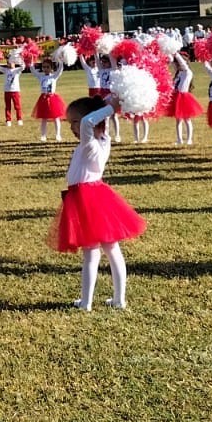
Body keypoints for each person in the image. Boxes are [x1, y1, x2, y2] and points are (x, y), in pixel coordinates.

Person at [53, 98, 146, 311]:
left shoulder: (91, 144)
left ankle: (89, 302)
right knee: (110, 251)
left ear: (93, 121)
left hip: (88, 200)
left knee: (94, 253)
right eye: (70, 123)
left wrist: (111, 107)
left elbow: (87, 122)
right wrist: (106, 102)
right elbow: (90, 119)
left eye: (75, 122)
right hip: (89, 197)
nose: (74, 127)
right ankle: (116, 299)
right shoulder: (102, 139)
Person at [165, 46, 203, 146]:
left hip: (184, 98)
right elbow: (172, 63)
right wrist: (168, 52)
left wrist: (176, 54)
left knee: (187, 119)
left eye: (179, 63)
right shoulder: (179, 73)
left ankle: (189, 139)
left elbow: (181, 63)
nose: (177, 65)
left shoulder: (187, 72)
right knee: (178, 120)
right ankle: (179, 139)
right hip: (176, 97)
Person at [33, 59, 67, 142]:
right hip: (43, 99)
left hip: (52, 98)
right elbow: (33, 71)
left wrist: (61, 61)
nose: (45, 69)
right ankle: (43, 135)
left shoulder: (54, 76)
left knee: (56, 118)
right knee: (44, 118)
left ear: (51, 68)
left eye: (47, 67)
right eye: (44, 67)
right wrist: (30, 62)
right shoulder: (41, 76)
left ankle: (58, 134)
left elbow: (60, 70)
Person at [1, 53, 24, 127]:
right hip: (7, 91)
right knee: (8, 106)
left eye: (11, 62)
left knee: (17, 106)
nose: (10, 64)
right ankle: (8, 120)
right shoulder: (5, 70)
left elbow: (23, 67)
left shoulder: (17, 70)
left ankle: (19, 119)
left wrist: (19, 58)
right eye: (8, 63)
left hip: (15, 91)